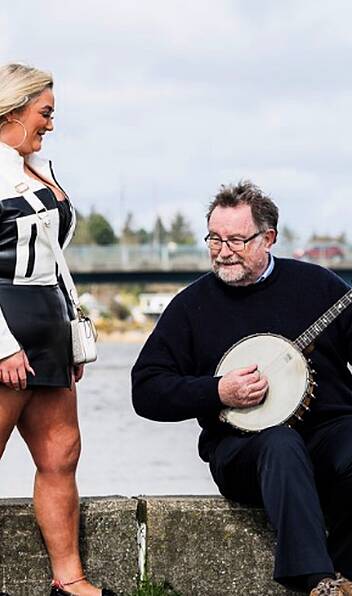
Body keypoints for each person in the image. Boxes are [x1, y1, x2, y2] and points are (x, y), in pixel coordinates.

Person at [131, 180, 352, 595]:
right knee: (280, 444)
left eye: (237, 240)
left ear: (269, 238)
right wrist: (217, 391)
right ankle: (317, 584)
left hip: (326, 429)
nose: (223, 250)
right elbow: (147, 389)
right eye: (214, 238)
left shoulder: (317, 285)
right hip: (242, 446)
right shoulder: (191, 306)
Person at [0, 64, 115, 596]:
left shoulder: (39, 168)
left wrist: (71, 336)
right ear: (12, 109)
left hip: (48, 326)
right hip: (6, 329)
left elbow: (54, 265)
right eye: (44, 112)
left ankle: (69, 581)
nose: (51, 123)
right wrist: (2, 347)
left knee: (61, 455)